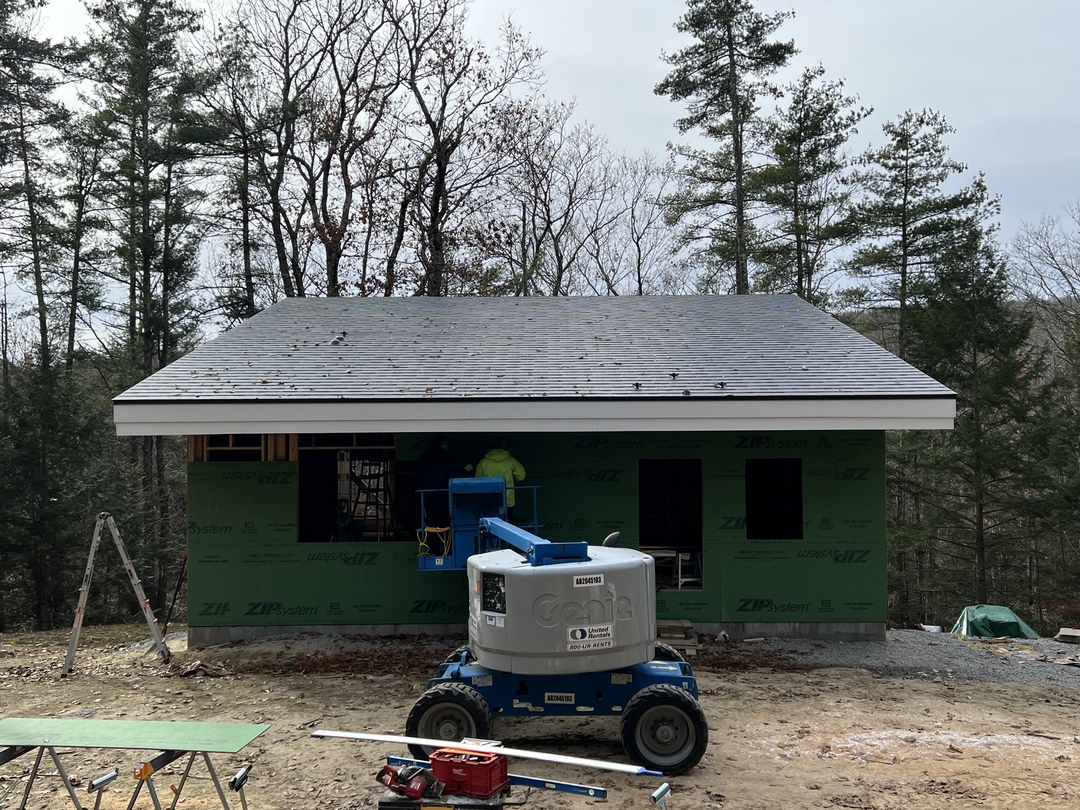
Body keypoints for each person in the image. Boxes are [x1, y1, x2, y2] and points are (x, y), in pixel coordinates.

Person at [416, 435, 471, 529]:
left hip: (426, 497)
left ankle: (432, 539)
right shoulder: (445, 456)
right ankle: (446, 539)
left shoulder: (424, 457)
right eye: (447, 445)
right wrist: (467, 469)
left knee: (431, 526)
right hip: (443, 497)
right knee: (445, 526)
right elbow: (455, 473)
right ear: (442, 444)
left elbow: (417, 476)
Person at [475, 437, 526, 521]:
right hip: (507, 499)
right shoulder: (511, 461)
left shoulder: (484, 462)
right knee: (508, 524)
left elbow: (477, 481)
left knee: (489, 524)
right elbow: (521, 476)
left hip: (489, 499)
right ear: (504, 445)